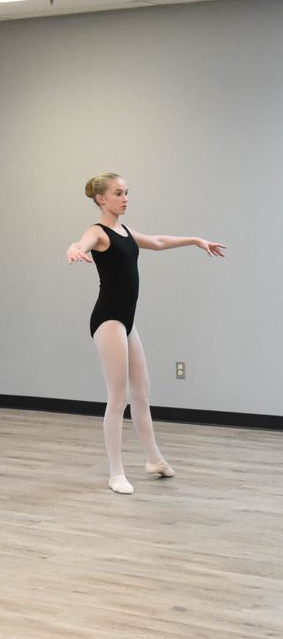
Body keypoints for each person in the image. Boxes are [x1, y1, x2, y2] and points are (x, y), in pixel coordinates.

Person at [66, 174, 225, 495]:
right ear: (101, 199)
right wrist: (73, 249)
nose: (125, 199)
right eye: (118, 193)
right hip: (108, 319)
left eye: (127, 193)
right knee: (118, 397)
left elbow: (157, 241)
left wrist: (196, 240)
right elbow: (81, 243)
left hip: (127, 320)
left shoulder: (124, 231)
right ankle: (116, 472)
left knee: (142, 391)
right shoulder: (97, 232)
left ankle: (153, 459)